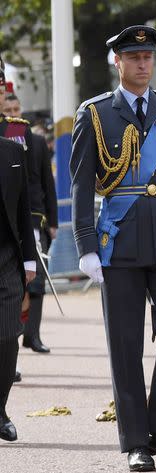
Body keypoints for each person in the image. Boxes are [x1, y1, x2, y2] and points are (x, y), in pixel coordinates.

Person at [70, 26, 156, 471]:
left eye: (148, 57)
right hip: (120, 241)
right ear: (118, 62)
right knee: (125, 343)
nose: (143, 64)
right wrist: (86, 244)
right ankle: (135, 440)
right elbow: (78, 185)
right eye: (133, 58)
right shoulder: (95, 114)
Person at [2, 94, 58, 354]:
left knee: (37, 283)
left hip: (37, 220)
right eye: (8, 107)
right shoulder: (7, 138)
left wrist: (53, 222)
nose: (13, 111)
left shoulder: (33, 140)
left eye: (16, 107)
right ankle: (14, 334)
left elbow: (47, 184)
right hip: (11, 224)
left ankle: (32, 335)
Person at [0, 56, 37, 442]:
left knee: (8, 337)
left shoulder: (12, 151)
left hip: (6, 259)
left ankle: (0, 408)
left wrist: (29, 257)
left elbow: (24, 209)